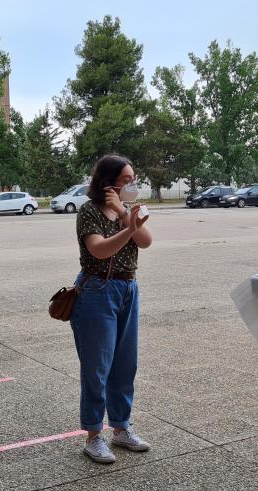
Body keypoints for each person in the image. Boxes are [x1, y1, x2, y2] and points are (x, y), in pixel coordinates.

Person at [70, 155, 153, 464]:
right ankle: (94, 435)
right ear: (109, 182)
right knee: (97, 367)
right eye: (126, 179)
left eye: (133, 178)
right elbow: (99, 250)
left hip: (128, 289)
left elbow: (146, 242)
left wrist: (125, 216)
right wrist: (128, 227)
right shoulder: (89, 211)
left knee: (125, 364)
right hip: (97, 290)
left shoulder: (128, 211)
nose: (132, 184)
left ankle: (121, 428)